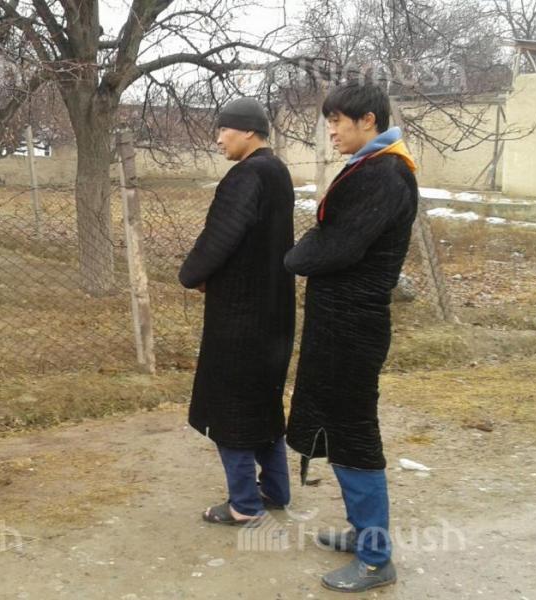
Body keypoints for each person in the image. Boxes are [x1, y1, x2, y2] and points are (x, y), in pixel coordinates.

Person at [284, 80, 419, 592]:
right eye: (329, 122)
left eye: (338, 121)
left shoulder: (384, 173)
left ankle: (376, 558)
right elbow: (334, 236)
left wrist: (295, 256)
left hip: (353, 326)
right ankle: (364, 533)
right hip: (341, 322)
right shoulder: (374, 166)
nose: (332, 131)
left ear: (369, 121)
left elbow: (334, 247)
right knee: (342, 428)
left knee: (355, 433)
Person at [179, 98, 297, 526]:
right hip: (275, 312)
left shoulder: (246, 176)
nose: (218, 139)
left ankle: (244, 505)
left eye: (224, 129)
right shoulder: (278, 172)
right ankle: (276, 491)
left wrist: (192, 274)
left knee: (229, 407)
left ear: (248, 131)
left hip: (240, 316)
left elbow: (221, 236)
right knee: (263, 402)